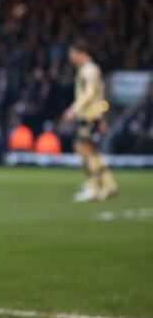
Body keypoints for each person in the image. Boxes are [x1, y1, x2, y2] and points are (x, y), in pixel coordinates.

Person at [62, 39, 117, 202]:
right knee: (91, 151)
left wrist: (74, 109)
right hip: (92, 115)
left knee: (83, 148)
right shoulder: (90, 69)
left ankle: (93, 187)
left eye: (72, 53)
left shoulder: (89, 71)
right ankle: (108, 184)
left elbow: (90, 93)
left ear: (81, 53)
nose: (70, 57)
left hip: (89, 115)